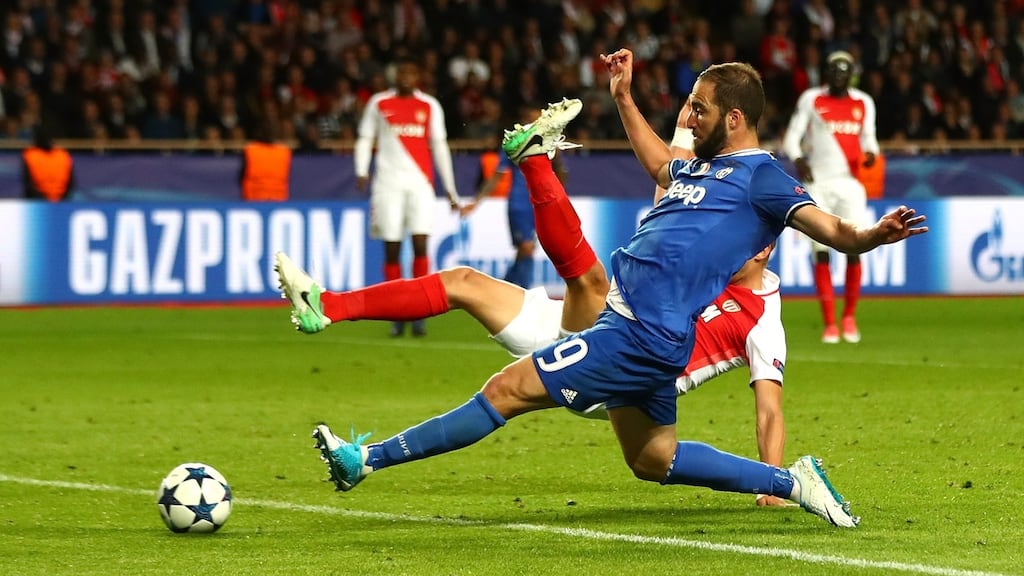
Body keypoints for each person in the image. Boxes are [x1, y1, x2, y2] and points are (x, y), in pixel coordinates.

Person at [285, 51, 926, 529]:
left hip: (634, 334)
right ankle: (792, 483)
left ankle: (363, 460)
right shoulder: (703, 168)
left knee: (505, 390)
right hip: (653, 336)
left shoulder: (763, 181)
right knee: (653, 459)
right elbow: (656, 162)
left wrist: (873, 235)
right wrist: (623, 97)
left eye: (698, 107)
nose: (688, 116)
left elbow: (833, 230)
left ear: (734, 116)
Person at [354, 56, 460, 338]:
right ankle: (395, 311)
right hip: (387, 184)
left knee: (421, 243)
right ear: (394, 76)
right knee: (391, 245)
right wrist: (361, 169)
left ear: (418, 77)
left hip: (420, 185)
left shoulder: (429, 105)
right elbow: (365, 138)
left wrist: (449, 188)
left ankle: (419, 311)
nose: (406, 77)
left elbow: (439, 146)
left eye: (411, 72)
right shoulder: (379, 103)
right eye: (402, 72)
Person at [782, 51, 881, 344]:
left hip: (850, 184)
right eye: (834, 70)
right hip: (818, 184)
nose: (839, 75)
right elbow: (791, 137)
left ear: (852, 73)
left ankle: (849, 317)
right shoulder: (811, 99)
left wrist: (872, 153)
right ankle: (829, 323)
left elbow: (869, 138)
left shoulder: (864, 102)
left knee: (856, 246)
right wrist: (798, 158)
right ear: (826, 72)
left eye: (844, 71)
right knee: (819, 249)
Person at [460, 105, 572, 289]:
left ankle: (501, 288)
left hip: (539, 205)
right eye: (532, 120)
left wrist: (558, 161)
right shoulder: (515, 144)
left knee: (526, 251)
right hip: (519, 204)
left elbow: (562, 177)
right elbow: (496, 177)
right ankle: (524, 294)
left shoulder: (550, 145)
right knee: (526, 248)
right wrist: (475, 202)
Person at [239, 124, 292, 202]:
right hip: (278, 200)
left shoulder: (250, 150)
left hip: (253, 200)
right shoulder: (284, 151)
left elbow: (241, 176)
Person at [22, 124, 75, 202]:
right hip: (48, 202)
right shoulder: (63, 154)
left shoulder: (62, 155)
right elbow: (28, 184)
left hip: (54, 202)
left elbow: (70, 182)